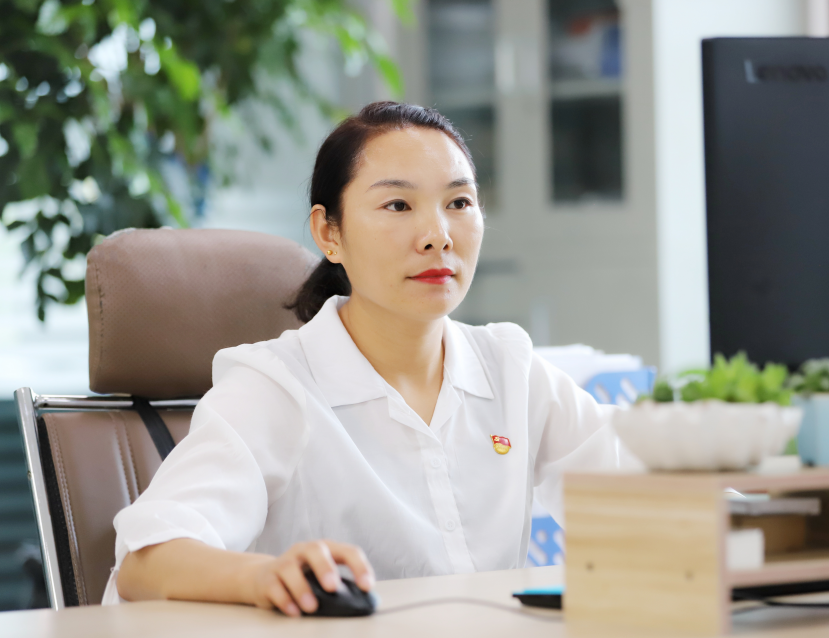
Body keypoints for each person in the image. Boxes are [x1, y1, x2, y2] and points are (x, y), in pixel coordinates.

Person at [106, 101, 640, 615]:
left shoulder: (510, 368)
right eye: (398, 205)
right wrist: (264, 577)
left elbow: (647, 498)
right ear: (329, 233)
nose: (438, 237)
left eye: (459, 203)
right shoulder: (276, 387)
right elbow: (145, 562)